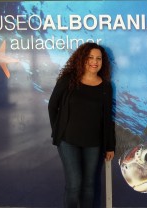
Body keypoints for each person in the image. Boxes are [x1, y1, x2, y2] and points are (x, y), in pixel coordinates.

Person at [48, 42, 115, 208]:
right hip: (67, 141)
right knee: (74, 184)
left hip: (94, 143)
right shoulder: (68, 80)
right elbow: (52, 106)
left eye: (98, 58)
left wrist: (109, 146)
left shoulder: (106, 86)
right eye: (90, 57)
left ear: (102, 62)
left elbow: (107, 118)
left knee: (89, 186)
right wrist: (58, 131)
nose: (94, 61)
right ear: (82, 59)